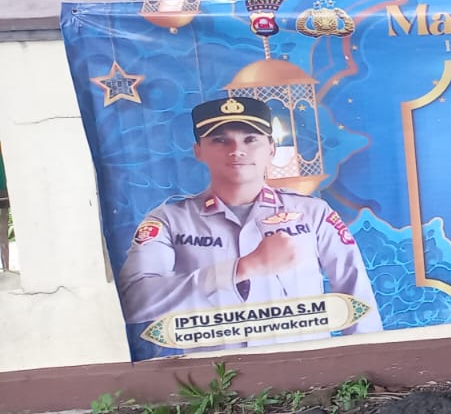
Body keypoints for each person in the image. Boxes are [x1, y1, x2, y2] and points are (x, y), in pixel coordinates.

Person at [117, 96, 383, 347]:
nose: (237, 150)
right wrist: (241, 268)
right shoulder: (170, 220)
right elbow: (132, 302)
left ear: (271, 148)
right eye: (220, 140)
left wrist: (368, 365)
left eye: (250, 139)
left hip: (306, 370)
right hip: (214, 374)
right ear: (198, 151)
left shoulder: (313, 213)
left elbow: (356, 293)